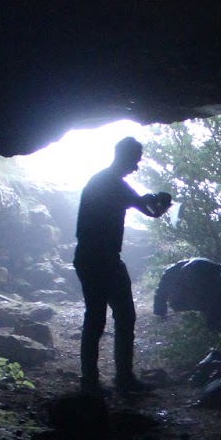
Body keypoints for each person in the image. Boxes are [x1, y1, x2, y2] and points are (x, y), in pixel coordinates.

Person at [72, 136, 172, 392]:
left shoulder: (103, 181)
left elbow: (145, 207)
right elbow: (150, 210)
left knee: (97, 317)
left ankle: (91, 380)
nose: (136, 167)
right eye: (136, 161)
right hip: (103, 260)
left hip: (91, 258)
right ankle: (122, 378)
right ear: (125, 157)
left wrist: (155, 202)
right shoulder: (115, 185)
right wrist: (161, 202)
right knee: (122, 316)